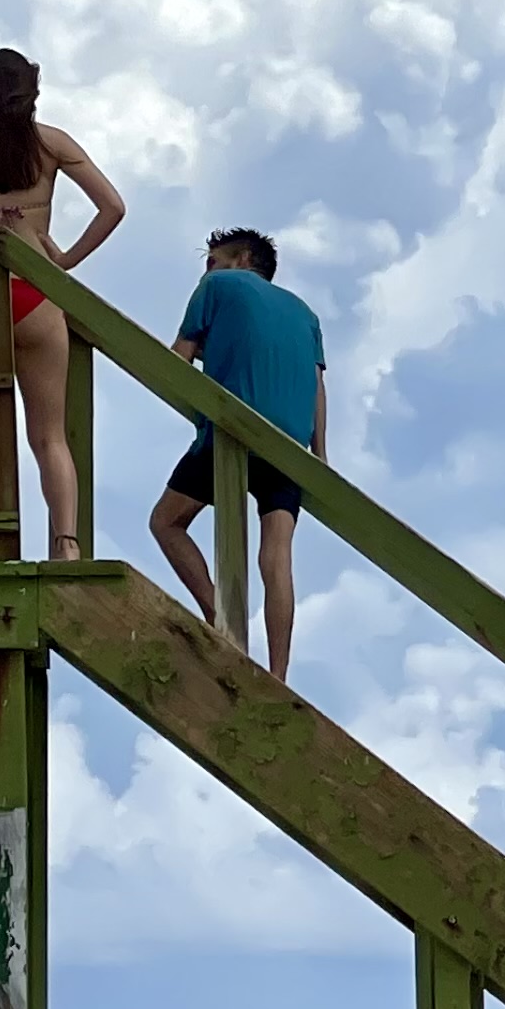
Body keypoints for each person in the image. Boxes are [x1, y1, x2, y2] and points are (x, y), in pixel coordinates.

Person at [0, 48, 124, 560]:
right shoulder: (51, 144)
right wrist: (64, 261)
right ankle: (66, 542)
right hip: (35, 291)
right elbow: (113, 207)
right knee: (50, 436)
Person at [148, 228, 328, 682]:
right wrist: (320, 457)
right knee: (278, 553)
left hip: (232, 428)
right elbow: (318, 387)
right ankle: (279, 674)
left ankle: (221, 622)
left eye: (213, 259)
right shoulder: (306, 313)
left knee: (166, 522)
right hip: (291, 442)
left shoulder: (216, 286)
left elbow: (177, 359)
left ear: (242, 259)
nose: (207, 269)